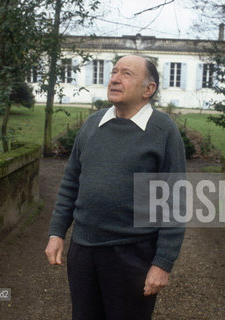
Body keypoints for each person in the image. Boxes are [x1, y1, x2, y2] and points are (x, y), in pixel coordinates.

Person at [45, 55, 186, 320]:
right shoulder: (92, 124)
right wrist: (57, 232)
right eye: (114, 72)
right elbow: (70, 182)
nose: (115, 79)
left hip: (132, 254)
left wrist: (162, 263)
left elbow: (174, 203)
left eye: (127, 74)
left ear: (149, 89)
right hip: (83, 251)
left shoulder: (163, 131)